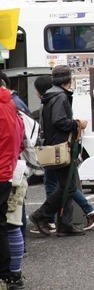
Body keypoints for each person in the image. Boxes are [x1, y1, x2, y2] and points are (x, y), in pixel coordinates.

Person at [30, 76, 94, 234]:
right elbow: (59, 121)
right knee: (66, 187)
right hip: (60, 148)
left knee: (64, 186)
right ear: (68, 81)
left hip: (53, 148)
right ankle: (44, 216)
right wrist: (77, 124)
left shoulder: (49, 99)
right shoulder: (59, 97)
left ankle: (61, 222)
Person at [0, 85, 19, 287]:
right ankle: (8, 273)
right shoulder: (10, 103)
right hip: (7, 169)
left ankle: (6, 273)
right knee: (4, 224)